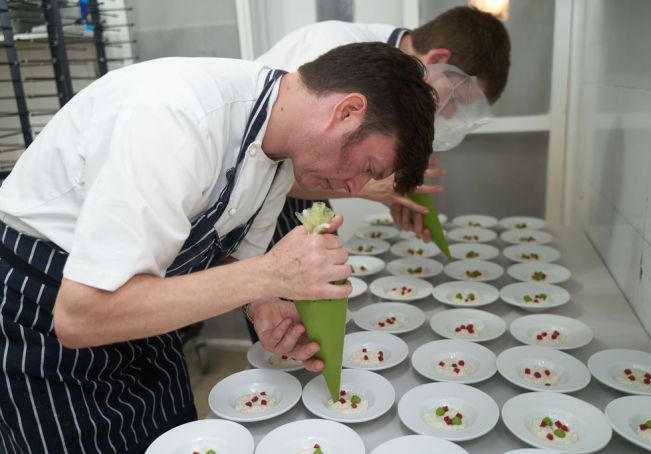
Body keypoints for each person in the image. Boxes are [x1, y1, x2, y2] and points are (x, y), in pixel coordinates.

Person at [0, 42, 435, 453]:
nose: (356, 187)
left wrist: (263, 304)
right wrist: (272, 274)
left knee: (179, 436)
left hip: (147, 315)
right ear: (347, 111)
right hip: (42, 319)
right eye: (368, 168)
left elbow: (233, 257)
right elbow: (80, 317)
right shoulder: (176, 117)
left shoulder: (279, 147)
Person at [259, 6, 511, 243]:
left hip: (299, 202)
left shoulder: (397, 73)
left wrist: (396, 192)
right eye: (457, 97)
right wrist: (369, 185)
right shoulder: (339, 51)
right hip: (255, 206)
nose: (451, 112)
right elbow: (267, 173)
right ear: (437, 58)